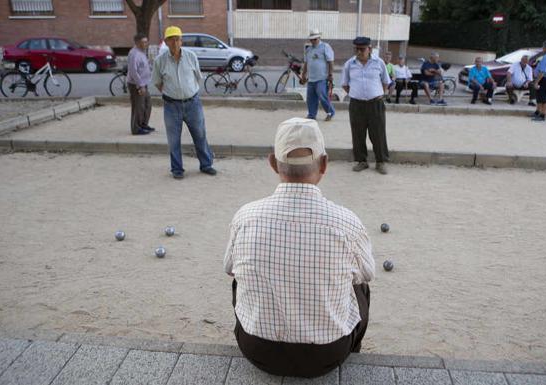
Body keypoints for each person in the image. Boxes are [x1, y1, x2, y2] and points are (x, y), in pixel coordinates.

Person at [224, 117, 374, 378]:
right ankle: (354, 351)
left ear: (273, 163)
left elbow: (229, 268)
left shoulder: (245, 216)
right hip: (328, 354)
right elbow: (367, 274)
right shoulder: (347, 222)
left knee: (239, 278)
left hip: (257, 349)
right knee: (360, 287)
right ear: (324, 164)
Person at [152, 26, 217, 179]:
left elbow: (197, 77)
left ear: (181, 41)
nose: (174, 42)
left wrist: (187, 91)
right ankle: (177, 169)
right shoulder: (159, 61)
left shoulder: (191, 56)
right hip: (171, 106)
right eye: (171, 39)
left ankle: (206, 165)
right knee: (173, 139)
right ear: (166, 42)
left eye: (177, 39)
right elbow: (157, 82)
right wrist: (173, 92)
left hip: (192, 103)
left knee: (200, 134)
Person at [341, 36, 392, 175]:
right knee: (358, 133)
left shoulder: (379, 62)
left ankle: (380, 162)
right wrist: (356, 94)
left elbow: (385, 81)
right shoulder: (349, 64)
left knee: (378, 133)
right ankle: (362, 161)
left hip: (375, 103)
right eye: (356, 49)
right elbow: (345, 84)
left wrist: (379, 93)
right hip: (356, 104)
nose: (359, 52)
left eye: (362, 49)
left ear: (369, 49)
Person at [301, 29, 335, 121]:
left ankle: (330, 112)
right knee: (310, 98)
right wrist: (303, 75)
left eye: (315, 39)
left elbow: (330, 61)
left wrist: (330, 74)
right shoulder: (308, 49)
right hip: (311, 78)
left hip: (322, 78)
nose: (313, 41)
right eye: (311, 39)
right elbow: (306, 63)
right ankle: (312, 115)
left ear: (319, 38)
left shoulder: (325, 47)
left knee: (322, 95)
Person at [126, 33, 154, 135]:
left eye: (147, 41)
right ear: (137, 42)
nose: (146, 44)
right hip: (136, 85)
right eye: (144, 42)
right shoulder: (134, 54)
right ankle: (136, 128)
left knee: (147, 104)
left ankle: (143, 124)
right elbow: (133, 71)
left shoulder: (142, 52)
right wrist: (140, 86)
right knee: (138, 106)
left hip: (144, 84)